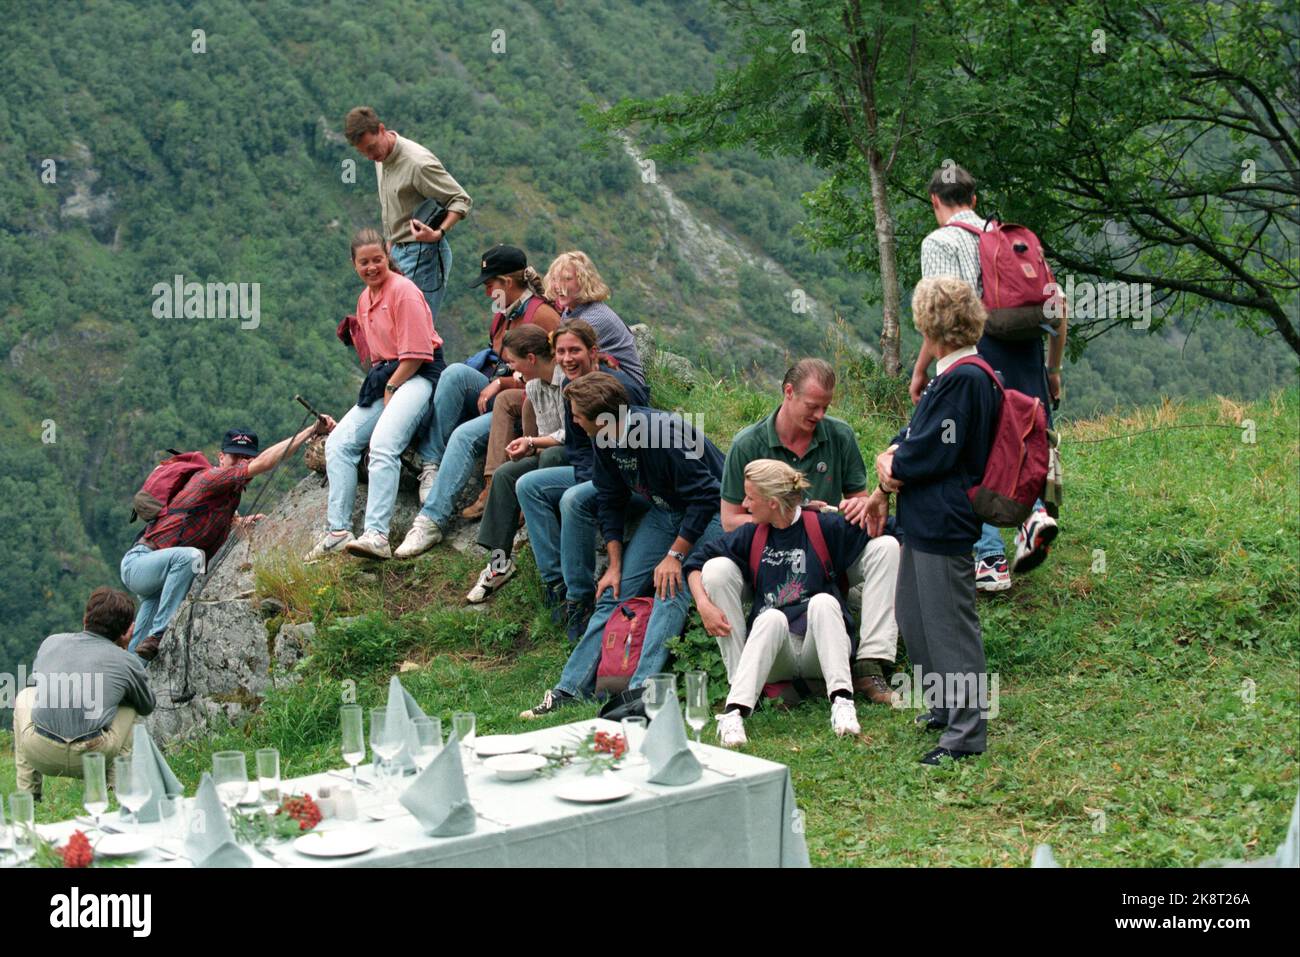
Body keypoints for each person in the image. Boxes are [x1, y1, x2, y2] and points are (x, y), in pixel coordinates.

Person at [849, 276, 1000, 765]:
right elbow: (917, 432)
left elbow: (932, 449)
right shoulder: (953, 373)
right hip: (922, 518)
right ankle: (942, 705)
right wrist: (888, 476)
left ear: (929, 322)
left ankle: (965, 733)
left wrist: (893, 465)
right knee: (916, 617)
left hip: (944, 518)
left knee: (949, 625)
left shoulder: (966, 378)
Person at [521, 373, 724, 718]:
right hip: (665, 511)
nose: (572, 420)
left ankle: (641, 693)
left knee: (669, 587)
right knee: (613, 593)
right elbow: (610, 501)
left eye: (576, 415)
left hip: (712, 511)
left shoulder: (662, 435)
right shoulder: (603, 438)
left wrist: (675, 556)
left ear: (602, 417)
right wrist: (614, 566)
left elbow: (707, 496)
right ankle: (569, 689)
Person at [703, 358, 900, 705]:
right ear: (788, 392)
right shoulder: (748, 443)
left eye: (826, 406)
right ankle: (742, 682)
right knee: (716, 570)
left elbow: (860, 505)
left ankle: (870, 663)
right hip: (764, 557)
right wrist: (791, 518)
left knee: (886, 547)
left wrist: (852, 507)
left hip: (825, 553)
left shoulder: (839, 435)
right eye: (813, 406)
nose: (820, 415)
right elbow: (731, 519)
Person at [911, 163, 1063, 591]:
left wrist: (922, 370)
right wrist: (1053, 371)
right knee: (1019, 437)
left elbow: (943, 314)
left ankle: (990, 559)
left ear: (935, 201)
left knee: (971, 453)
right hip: (1024, 352)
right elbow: (1057, 305)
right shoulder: (1009, 236)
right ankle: (1032, 516)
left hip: (975, 355)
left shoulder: (938, 242)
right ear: (974, 200)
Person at [686, 460, 868, 746]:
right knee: (770, 617)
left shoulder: (822, 525)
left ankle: (843, 704)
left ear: (772, 502)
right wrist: (703, 605)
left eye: (750, 497)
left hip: (820, 648)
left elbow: (888, 527)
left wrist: (861, 506)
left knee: (823, 601)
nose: (744, 504)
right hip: (777, 652)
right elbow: (695, 563)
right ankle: (735, 714)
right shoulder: (752, 534)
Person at [124, 420, 333, 660]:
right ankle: (160, 633)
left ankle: (130, 685)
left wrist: (240, 522)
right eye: (235, 457)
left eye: (247, 458)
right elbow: (264, 463)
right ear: (220, 457)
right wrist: (309, 430)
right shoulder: (209, 479)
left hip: (160, 580)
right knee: (192, 557)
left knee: (139, 656)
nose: (242, 463)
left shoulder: (227, 500)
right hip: (141, 563)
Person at [305, 227, 441, 562]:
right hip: (390, 375)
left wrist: (392, 387)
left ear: (387, 258)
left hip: (418, 373)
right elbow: (380, 355)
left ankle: (377, 535)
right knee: (338, 444)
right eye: (364, 262)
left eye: (377, 260)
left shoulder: (403, 292)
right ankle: (337, 532)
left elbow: (416, 354)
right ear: (354, 264)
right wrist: (386, 385)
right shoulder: (365, 300)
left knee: (383, 445)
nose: (371, 267)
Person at [514, 321, 648, 642]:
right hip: (594, 472)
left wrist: (595, 486)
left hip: (631, 478)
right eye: (560, 351)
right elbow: (577, 451)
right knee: (528, 485)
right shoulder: (570, 390)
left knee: (573, 499)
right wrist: (590, 479)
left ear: (593, 352)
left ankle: (580, 598)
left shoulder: (622, 387)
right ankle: (555, 583)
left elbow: (642, 444)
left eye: (574, 350)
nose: (566, 358)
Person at [415, 245, 561, 504]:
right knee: (455, 373)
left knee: (464, 433)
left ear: (506, 282)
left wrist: (501, 383)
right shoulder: (502, 316)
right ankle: (431, 461)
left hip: (526, 401)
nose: (485, 291)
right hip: (501, 389)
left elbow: (552, 371)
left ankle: (480, 490)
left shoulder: (543, 316)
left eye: (489, 284)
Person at [12, 588, 156, 799]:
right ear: (127, 630)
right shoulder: (127, 662)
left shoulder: (51, 642)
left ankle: (29, 795)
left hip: (41, 753)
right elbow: (147, 705)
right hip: (93, 757)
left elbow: (42, 683)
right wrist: (123, 654)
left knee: (26, 695)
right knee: (130, 706)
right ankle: (116, 791)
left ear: (85, 618)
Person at [459, 325, 568, 601]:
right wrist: (527, 445)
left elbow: (570, 434)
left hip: (574, 455)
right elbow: (541, 433)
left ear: (530, 358)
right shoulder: (534, 386)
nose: (511, 368)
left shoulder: (566, 379)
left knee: (552, 456)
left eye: (512, 362)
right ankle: (499, 563)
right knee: (506, 473)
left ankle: (551, 550)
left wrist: (532, 443)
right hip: (549, 453)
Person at [344, 106, 471, 323]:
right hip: (396, 253)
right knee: (393, 325)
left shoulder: (417, 163)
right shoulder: (380, 158)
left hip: (424, 254)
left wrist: (438, 233)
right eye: (363, 152)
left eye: (372, 148)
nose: (370, 156)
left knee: (416, 326)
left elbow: (461, 199)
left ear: (382, 129)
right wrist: (390, 245)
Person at [544, 251, 646, 388]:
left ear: (584, 281)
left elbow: (565, 359)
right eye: (555, 279)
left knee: (568, 380)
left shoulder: (593, 317)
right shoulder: (570, 311)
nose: (559, 286)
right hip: (603, 379)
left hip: (628, 387)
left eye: (567, 279)